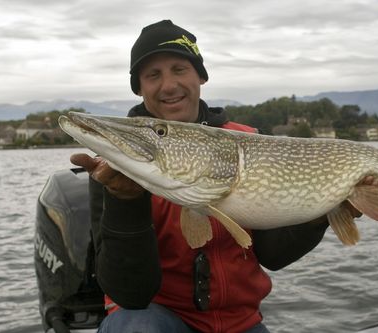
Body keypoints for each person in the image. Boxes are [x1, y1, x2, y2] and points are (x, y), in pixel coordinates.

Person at [70, 20, 333, 333]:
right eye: (153, 75)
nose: (168, 85)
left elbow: (272, 254)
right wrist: (125, 201)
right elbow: (131, 294)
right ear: (139, 88)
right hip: (156, 319)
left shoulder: (248, 142)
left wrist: (325, 211)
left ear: (201, 76)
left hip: (239, 323)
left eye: (179, 69)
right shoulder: (115, 166)